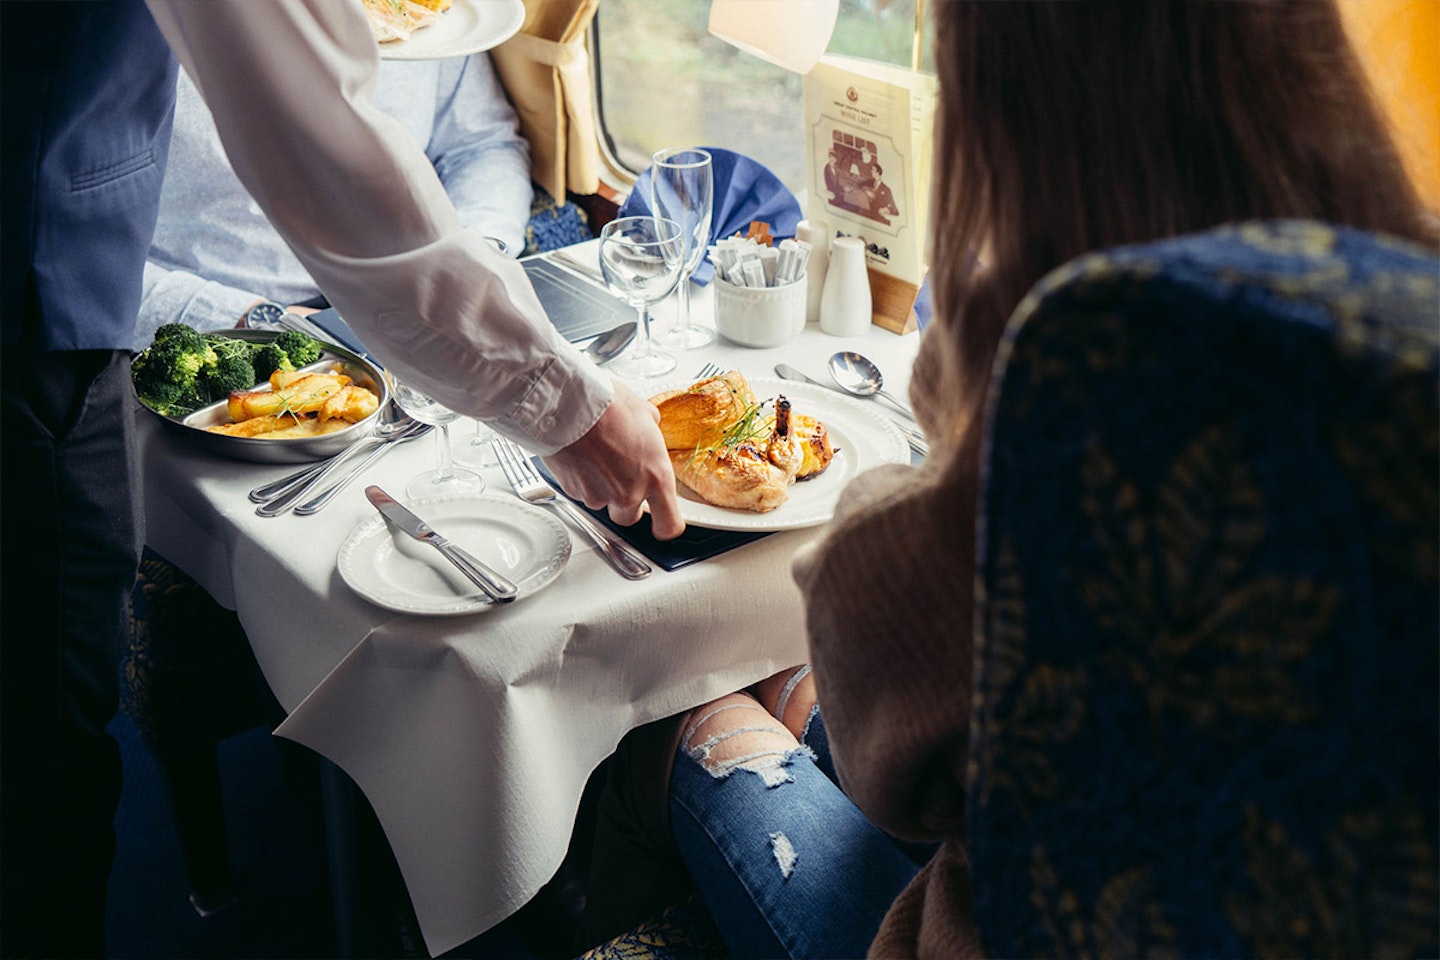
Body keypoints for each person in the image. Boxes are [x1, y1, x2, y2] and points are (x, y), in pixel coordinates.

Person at [578, 2, 1439, 957]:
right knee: (795, 684)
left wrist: (964, 385)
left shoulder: (1081, 373)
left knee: (692, 711)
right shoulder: (1401, 337)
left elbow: (881, 736)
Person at [1, 2, 681, 954]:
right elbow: (322, 146)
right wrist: (565, 406)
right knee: (40, 780)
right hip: (32, 320)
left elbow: (445, 150)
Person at [137, 55, 533, 347]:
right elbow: (81, 258)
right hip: (215, 322)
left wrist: (467, 265)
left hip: (415, 303)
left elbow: (482, 147)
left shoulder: (431, 16)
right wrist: (259, 321)